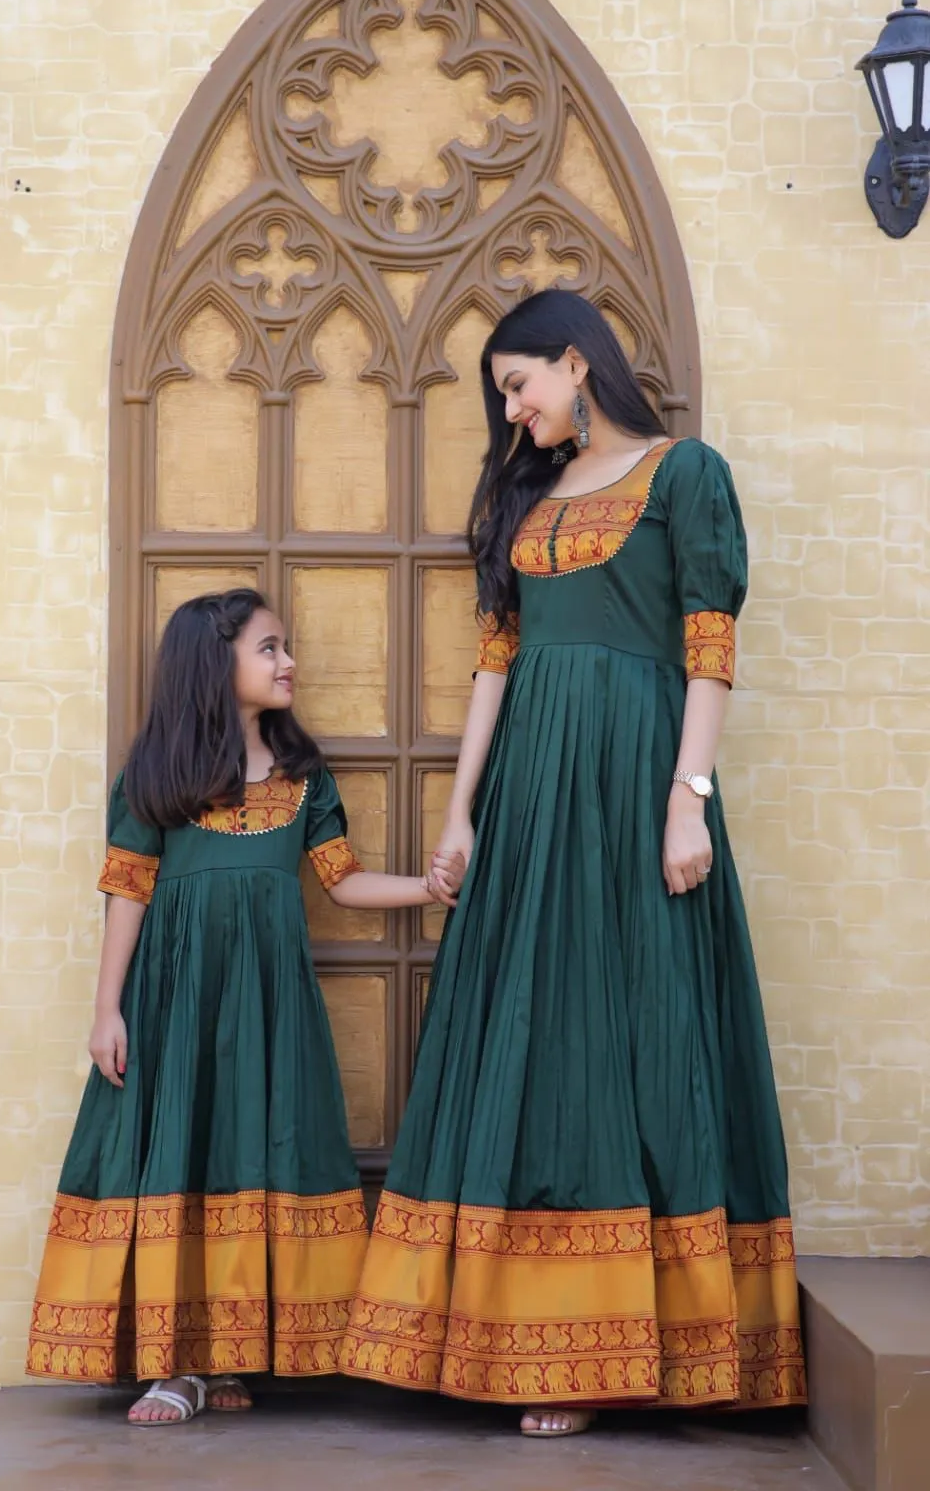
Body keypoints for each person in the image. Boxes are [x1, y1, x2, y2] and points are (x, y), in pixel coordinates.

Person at [340, 289, 806, 1435]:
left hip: (636, 783)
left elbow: (708, 645)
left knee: (632, 1026)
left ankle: (620, 1350)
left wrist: (685, 800)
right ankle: (521, 1338)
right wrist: (459, 818)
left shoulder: (683, 474)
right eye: (503, 394)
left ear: (574, 361)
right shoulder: (527, 499)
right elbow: (495, 666)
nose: (512, 411)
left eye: (517, 383)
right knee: (532, 1025)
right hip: (534, 798)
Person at [26, 589, 465, 1425]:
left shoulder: (303, 778)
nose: (287, 661)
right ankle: (177, 1366)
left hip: (269, 1011)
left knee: (254, 1156)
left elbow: (343, 879)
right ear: (214, 664)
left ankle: (234, 1357)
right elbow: (128, 893)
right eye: (269, 649)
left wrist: (428, 888)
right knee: (184, 1159)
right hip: (176, 1006)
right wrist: (106, 1010)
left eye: (284, 646)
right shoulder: (158, 777)